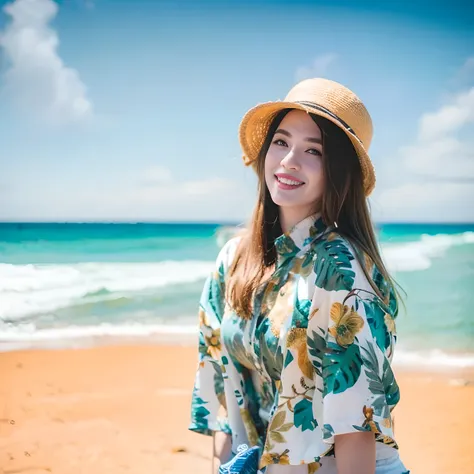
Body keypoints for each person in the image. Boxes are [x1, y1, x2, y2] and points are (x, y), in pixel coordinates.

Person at [189, 78, 409, 474]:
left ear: (337, 171)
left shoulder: (338, 268)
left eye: (313, 150)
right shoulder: (234, 259)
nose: (289, 160)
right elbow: (226, 396)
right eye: (281, 142)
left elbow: (354, 427)